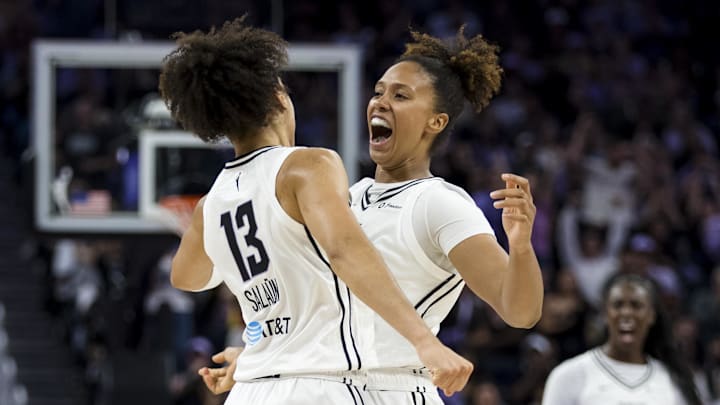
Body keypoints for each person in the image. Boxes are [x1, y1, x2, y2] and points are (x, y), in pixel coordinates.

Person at [200, 26, 544, 405]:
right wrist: (260, 360)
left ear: (436, 122)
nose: (380, 102)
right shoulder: (347, 195)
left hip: (395, 387)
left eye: (400, 95)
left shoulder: (440, 203)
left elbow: (520, 311)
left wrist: (521, 247)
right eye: (378, 91)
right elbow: (326, 308)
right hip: (328, 386)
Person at [159, 17, 473, 404]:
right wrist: (424, 342)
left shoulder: (211, 204)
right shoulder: (307, 166)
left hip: (252, 390)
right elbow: (346, 252)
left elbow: (186, 277)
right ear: (278, 97)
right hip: (320, 386)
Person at [541, 273, 702, 405]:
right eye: (618, 305)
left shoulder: (672, 379)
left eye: (636, 305)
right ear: (605, 314)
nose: (626, 313)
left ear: (652, 315)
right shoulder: (568, 374)